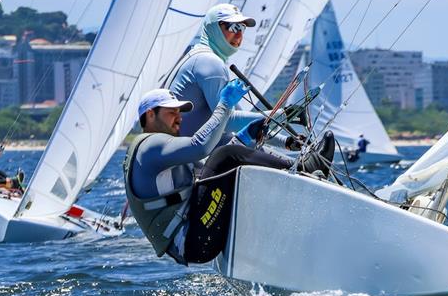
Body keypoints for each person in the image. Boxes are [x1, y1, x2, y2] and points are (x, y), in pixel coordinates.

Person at [124, 87, 334, 265]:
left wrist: (244, 138)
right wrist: (224, 105)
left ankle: (293, 189)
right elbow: (201, 147)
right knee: (225, 156)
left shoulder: (160, 148)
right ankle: (305, 170)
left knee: (228, 158)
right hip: (193, 241)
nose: (179, 117)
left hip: (197, 235)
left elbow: (209, 170)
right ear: (150, 114)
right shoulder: (150, 146)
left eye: (179, 111)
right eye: (171, 112)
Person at [166, 3, 302, 152]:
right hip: (187, 161)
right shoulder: (209, 62)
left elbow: (242, 123)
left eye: (242, 28)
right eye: (233, 27)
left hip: (199, 151)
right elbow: (229, 122)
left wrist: (286, 142)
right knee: (256, 153)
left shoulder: (204, 58)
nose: (239, 35)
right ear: (213, 28)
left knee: (259, 151)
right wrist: (285, 115)